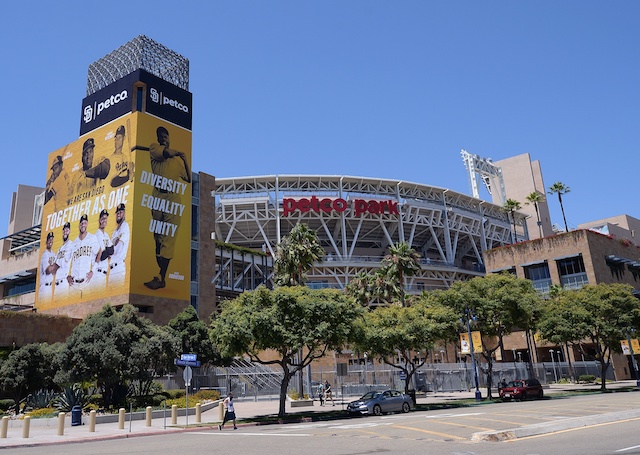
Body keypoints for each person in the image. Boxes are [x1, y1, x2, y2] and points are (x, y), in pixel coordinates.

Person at [144, 126, 191, 290]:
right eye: (161, 136)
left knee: (168, 238)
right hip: (158, 195)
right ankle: (159, 270)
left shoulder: (177, 163)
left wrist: (185, 160)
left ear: (169, 137)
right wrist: (177, 152)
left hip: (173, 198)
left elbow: (188, 179)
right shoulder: (155, 149)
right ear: (158, 138)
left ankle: (161, 277)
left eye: (166, 136)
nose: (164, 138)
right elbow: (166, 153)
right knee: (157, 236)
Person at [67, 214, 101, 299]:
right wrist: (67, 275)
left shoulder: (92, 238)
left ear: (87, 224)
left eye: (85, 223)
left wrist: (93, 270)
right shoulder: (74, 242)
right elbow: (68, 260)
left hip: (86, 281)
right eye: (81, 223)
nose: (83, 225)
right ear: (79, 225)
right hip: (74, 284)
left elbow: (99, 251)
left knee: (88, 309)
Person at [50, 222, 73, 301]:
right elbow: (54, 267)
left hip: (64, 281)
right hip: (57, 283)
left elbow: (63, 263)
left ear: (69, 231)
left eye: (67, 229)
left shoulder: (71, 245)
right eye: (64, 229)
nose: (65, 231)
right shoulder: (60, 248)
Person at [109, 203, 130, 287]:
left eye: (120, 212)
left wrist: (112, 246)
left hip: (119, 267)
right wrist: (114, 244)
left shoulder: (125, 226)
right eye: (117, 213)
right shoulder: (115, 231)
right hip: (112, 269)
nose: (118, 214)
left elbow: (117, 247)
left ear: (124, 213)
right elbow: (110, 251)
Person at [94, 209, 114, 289]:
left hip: (103, 275)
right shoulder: (97, 234)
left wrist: (107, 251)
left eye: (106, 219)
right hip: (97, 274)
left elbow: (112, 250)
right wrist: (107, 251)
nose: (104, 220)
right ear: (99, 220)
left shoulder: (106, 235)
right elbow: (102, 255)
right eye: (102, 219)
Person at [38, 232, 56, 303]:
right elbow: (48, 271)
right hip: (44, 287)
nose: (50, 241)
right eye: (49, 240)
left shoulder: (53, 254)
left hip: (50, 286)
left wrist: (53, 268)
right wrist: (55, 267)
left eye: (52, 239)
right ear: (46, 242)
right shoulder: (45, 255)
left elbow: (54, 272)